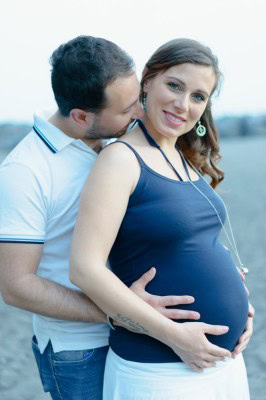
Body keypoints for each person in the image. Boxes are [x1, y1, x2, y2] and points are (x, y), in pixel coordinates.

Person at [0, 36, 208, 400]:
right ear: (82, 116)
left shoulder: (114, 143)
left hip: (140, 336)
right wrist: (119, 314)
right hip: (81, 352)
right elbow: (16, 286)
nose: (140, 113)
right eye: (128, 109)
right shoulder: (25, 170)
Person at [70, 38, 253, 399]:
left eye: (199, 96)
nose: (183, 105)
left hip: (223, 363)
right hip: (162, 369)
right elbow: (84, 269)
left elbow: (195, 245)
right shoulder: (121, 159)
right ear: (147, 81)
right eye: (174, 86)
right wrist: (176, 337)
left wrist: (240, 306)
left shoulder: (183, 159)